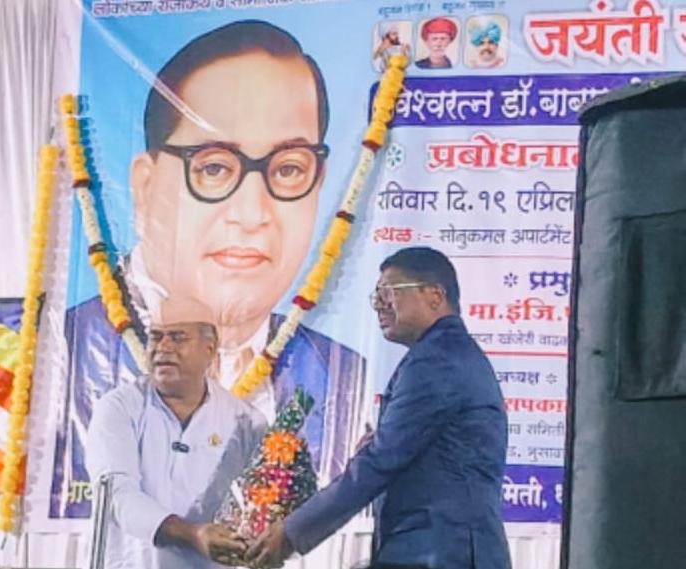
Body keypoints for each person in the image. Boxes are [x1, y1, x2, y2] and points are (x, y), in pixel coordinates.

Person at [53, 20, 365, 519]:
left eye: (289, 169)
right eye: (214, 167)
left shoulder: (345, 377)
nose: (252, 213)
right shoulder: (59, 358)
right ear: (145, 187)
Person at [246, 247, 511, 569]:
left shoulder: (437, 359)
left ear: (434, 296)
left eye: (389, 292)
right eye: (376, 297)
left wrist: (291, 532)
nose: (379, 305)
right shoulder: (444, 353)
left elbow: (382, 459)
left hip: (441, 550)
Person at [85, 297, 266, 568]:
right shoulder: (119, 408)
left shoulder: (246, 421)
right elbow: (116, 495)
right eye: (155, 337)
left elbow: (259, 505)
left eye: (178, 338)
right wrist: (193, 534)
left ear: (210, 349)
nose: (163, 347)